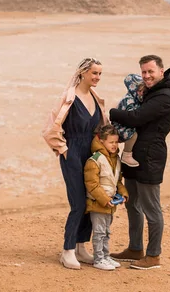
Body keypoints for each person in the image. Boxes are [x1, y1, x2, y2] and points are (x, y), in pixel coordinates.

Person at [109, 55, 170, 270]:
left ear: (161, 71)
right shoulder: (150, 91)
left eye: (151, 71)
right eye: (143, 72)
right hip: (135, 156)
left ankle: (153, 256)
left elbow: (136, 118)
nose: (147, 76)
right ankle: (135, 248)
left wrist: (112, 113)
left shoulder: (164, 97)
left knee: (152, 208)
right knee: (132, 203)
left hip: (151, 157)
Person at [42, 57, 108, 270]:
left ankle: (81, 247)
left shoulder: (97, 98)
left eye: (99, 73)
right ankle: (67, 250)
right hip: (72, 153)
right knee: (78, 202)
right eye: (94, 73)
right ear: (82, 73)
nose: (97, 77)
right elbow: (51, 128)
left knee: (90, 200)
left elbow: (101, 127)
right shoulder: (68, 98)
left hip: (92, 154)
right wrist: (64, 150)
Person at [83, 124, 129, 271]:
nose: (114, 145)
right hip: (99, 203)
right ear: (102, 141)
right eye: (111, 142)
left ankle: (105, 255)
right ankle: (98, 259)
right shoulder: (95, 160)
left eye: (116, 142)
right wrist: (104, 199)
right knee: (99, 232)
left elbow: (117, 181)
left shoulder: (115, 159)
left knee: (107, 232)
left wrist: (123, 193)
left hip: (110, 203)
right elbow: (92, 184)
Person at [112, 73, 145, 167]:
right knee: (134, 135)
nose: (141, 93)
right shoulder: (129, 100)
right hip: (120, 126)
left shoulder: (136, 99)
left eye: (143, 91)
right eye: (139, 90)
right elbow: (131, 116)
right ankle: (126, 155)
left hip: (124, 124)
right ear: (132, 89)